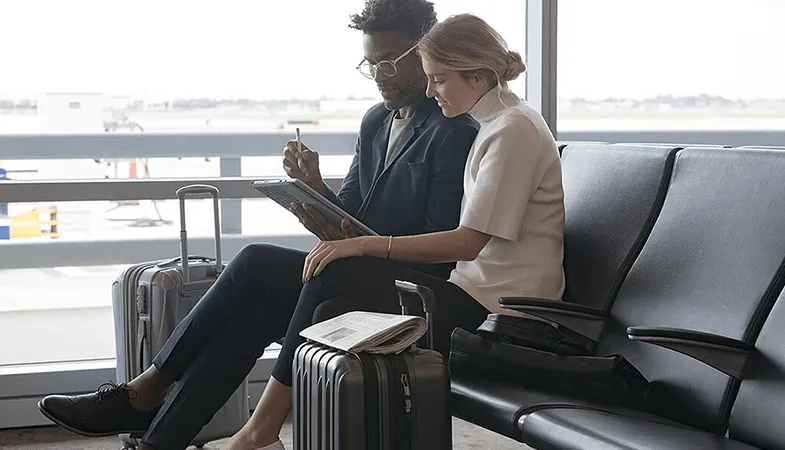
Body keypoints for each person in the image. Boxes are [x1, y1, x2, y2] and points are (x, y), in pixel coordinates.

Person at [36, 1, 480, 450]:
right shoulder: (375, 122)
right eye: (370, 64)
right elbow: (348, 215)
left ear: (423, 53)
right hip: (356, 271)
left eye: (389, 63)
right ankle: (158, 441)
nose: (380, 75)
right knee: (254, 314)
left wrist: (354, 240)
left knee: (255, 262)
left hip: (410, 290)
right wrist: (313, 190)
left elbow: (438, 243)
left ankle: (147, 390)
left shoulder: (452, 130)